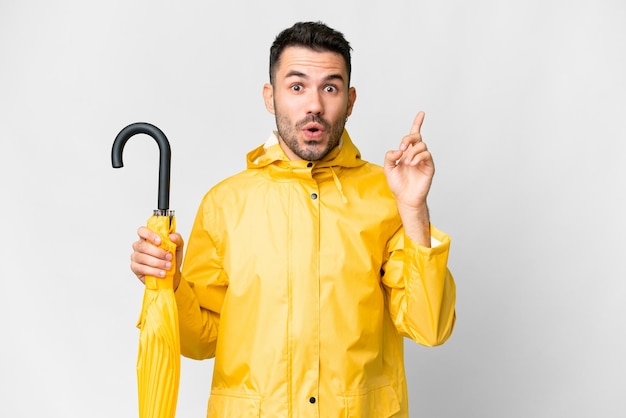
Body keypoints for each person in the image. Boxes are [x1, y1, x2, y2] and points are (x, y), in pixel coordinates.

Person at [130, 21, 456, 418]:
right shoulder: (225, 203)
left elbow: (429, 327)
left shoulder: (386, 195)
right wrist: (171, 283)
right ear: (271, 96)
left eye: (330, 88)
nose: (314, 104)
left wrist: (414, 211)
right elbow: (201, 341)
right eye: (297, 87)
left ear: (350, 100)